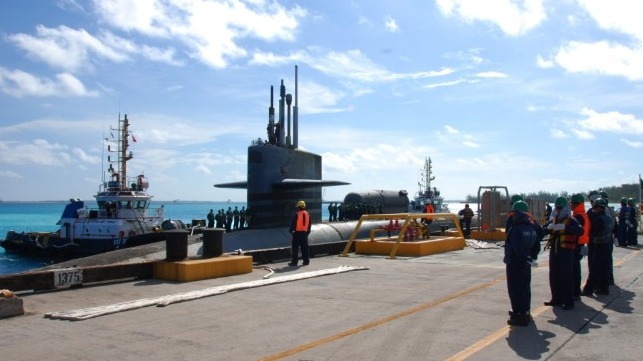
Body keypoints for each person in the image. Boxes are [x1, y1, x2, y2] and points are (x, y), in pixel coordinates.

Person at [504, 201, 542, 326]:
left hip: (515, 263)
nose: (512, 215)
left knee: (515, 288)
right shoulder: (531, 228)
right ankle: (525, 311)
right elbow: (537, 246)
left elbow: (516, 247)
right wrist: (530, 258)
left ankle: (519, 314)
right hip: (526, 263)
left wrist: (522, 257)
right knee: (525, 287)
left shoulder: (515, 230)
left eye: (514, 213)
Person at [543, 196, 583, 310]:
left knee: (566, 275)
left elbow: (580, 230)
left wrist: (565, 227)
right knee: (554, 275)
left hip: (566, 251)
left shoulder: (571, 220)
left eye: (560, 208)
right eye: (557, 208)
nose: (558, 210)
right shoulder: (554, 219)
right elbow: (544, 229)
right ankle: (556, 299)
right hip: (555, 250)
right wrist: (547, 228)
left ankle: (568, 301)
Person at [582, 197, 614, 296]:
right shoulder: (608, 217)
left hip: (599, 246)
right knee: (605, 268)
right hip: (608, 245)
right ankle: (604, 289)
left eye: (595, 207)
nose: (594, 209)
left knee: (594, 268)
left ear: (598, 207)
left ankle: (588, 289)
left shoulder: (598, 219)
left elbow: (592, 233)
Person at [570, 193, 590, 300]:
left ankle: (575, 292)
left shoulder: (577, 217)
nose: (570, 205)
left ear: (576, 204)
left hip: (576, 245)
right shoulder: (584, 214)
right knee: (576, 268)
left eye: (571, 203)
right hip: (582, 244)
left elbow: (575, 231)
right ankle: (575, 291)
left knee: (574, 270)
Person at [288, 200, 312, 267]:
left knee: (295, 249)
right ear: (304, 207)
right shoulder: (308, 215)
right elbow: (309, 226)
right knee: (305, 249)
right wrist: (307, 233)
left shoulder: (297, 215)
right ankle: (306, 261)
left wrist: (291, 232)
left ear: (298, 207)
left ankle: (294, 262)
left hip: (297, 234)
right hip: (304, 234)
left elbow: (292, 225)